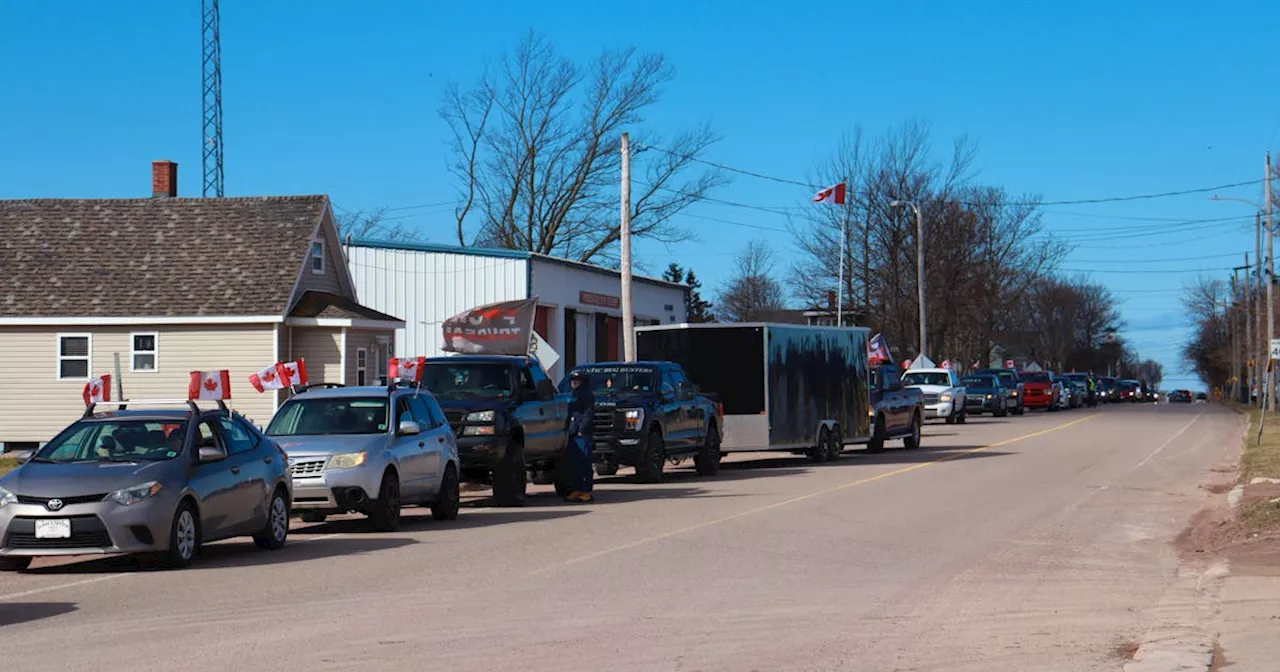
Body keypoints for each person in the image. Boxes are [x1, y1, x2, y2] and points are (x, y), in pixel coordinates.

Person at [565, 370, 596, 502]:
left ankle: (586, 490)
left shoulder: (587, 395)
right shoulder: (573, 394)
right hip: (572, 433)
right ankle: (577, 489)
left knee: (584, 462)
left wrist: (582, 429)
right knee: (574, 463)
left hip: (582, 433)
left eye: (577, 380)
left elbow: (588, 413)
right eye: (573, 380)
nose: (574, 382)